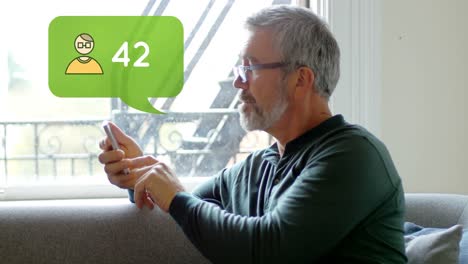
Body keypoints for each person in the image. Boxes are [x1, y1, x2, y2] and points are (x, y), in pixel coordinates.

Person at [98, 5, 407, 263]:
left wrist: (175, 197)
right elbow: (188, 214)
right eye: (239, 69)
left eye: (252, 68)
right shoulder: (258, 166)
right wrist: (139, 172)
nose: (239, 83)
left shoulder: (354, 156)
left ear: (301, 80)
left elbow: (270, 249)